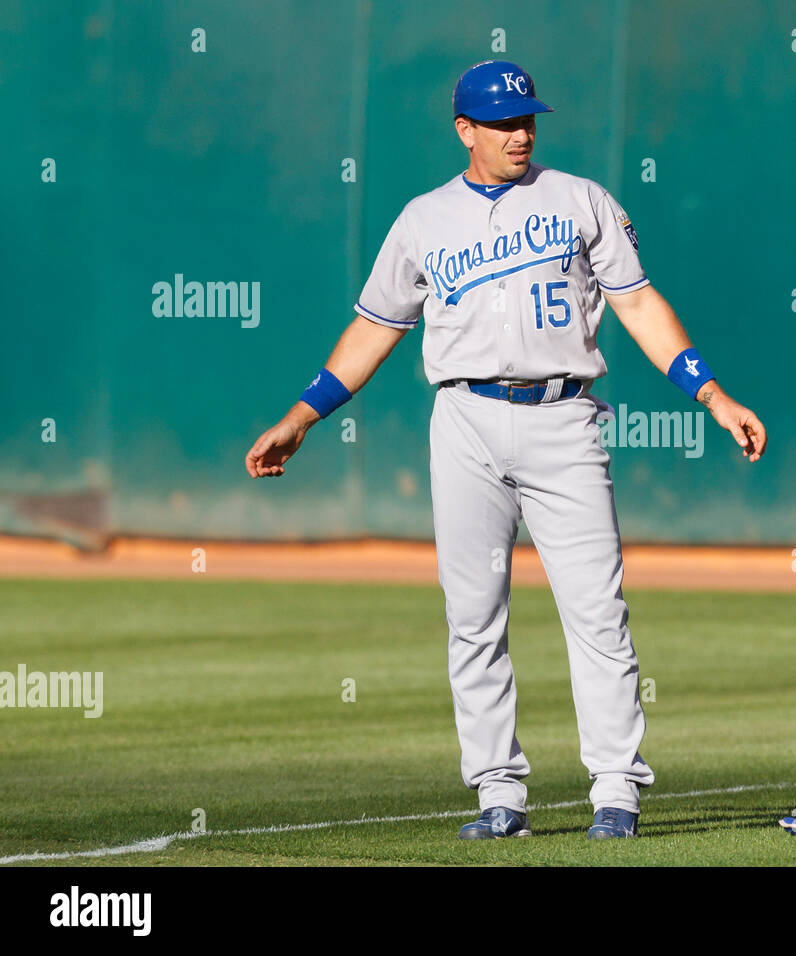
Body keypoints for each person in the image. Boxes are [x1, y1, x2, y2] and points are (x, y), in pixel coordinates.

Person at [243, 60, 767, 840]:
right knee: (473, 616)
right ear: (466, 131)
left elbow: (639, 303)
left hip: (564, 417)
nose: (521, 133)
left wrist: (711, 393)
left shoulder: (580, 200)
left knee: (596, 611)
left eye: (527, 120)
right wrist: (302, 416)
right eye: (503, 123)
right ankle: (498, 794)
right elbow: (375, 329)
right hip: (465, 422)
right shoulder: (423, 220)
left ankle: (616, 791)